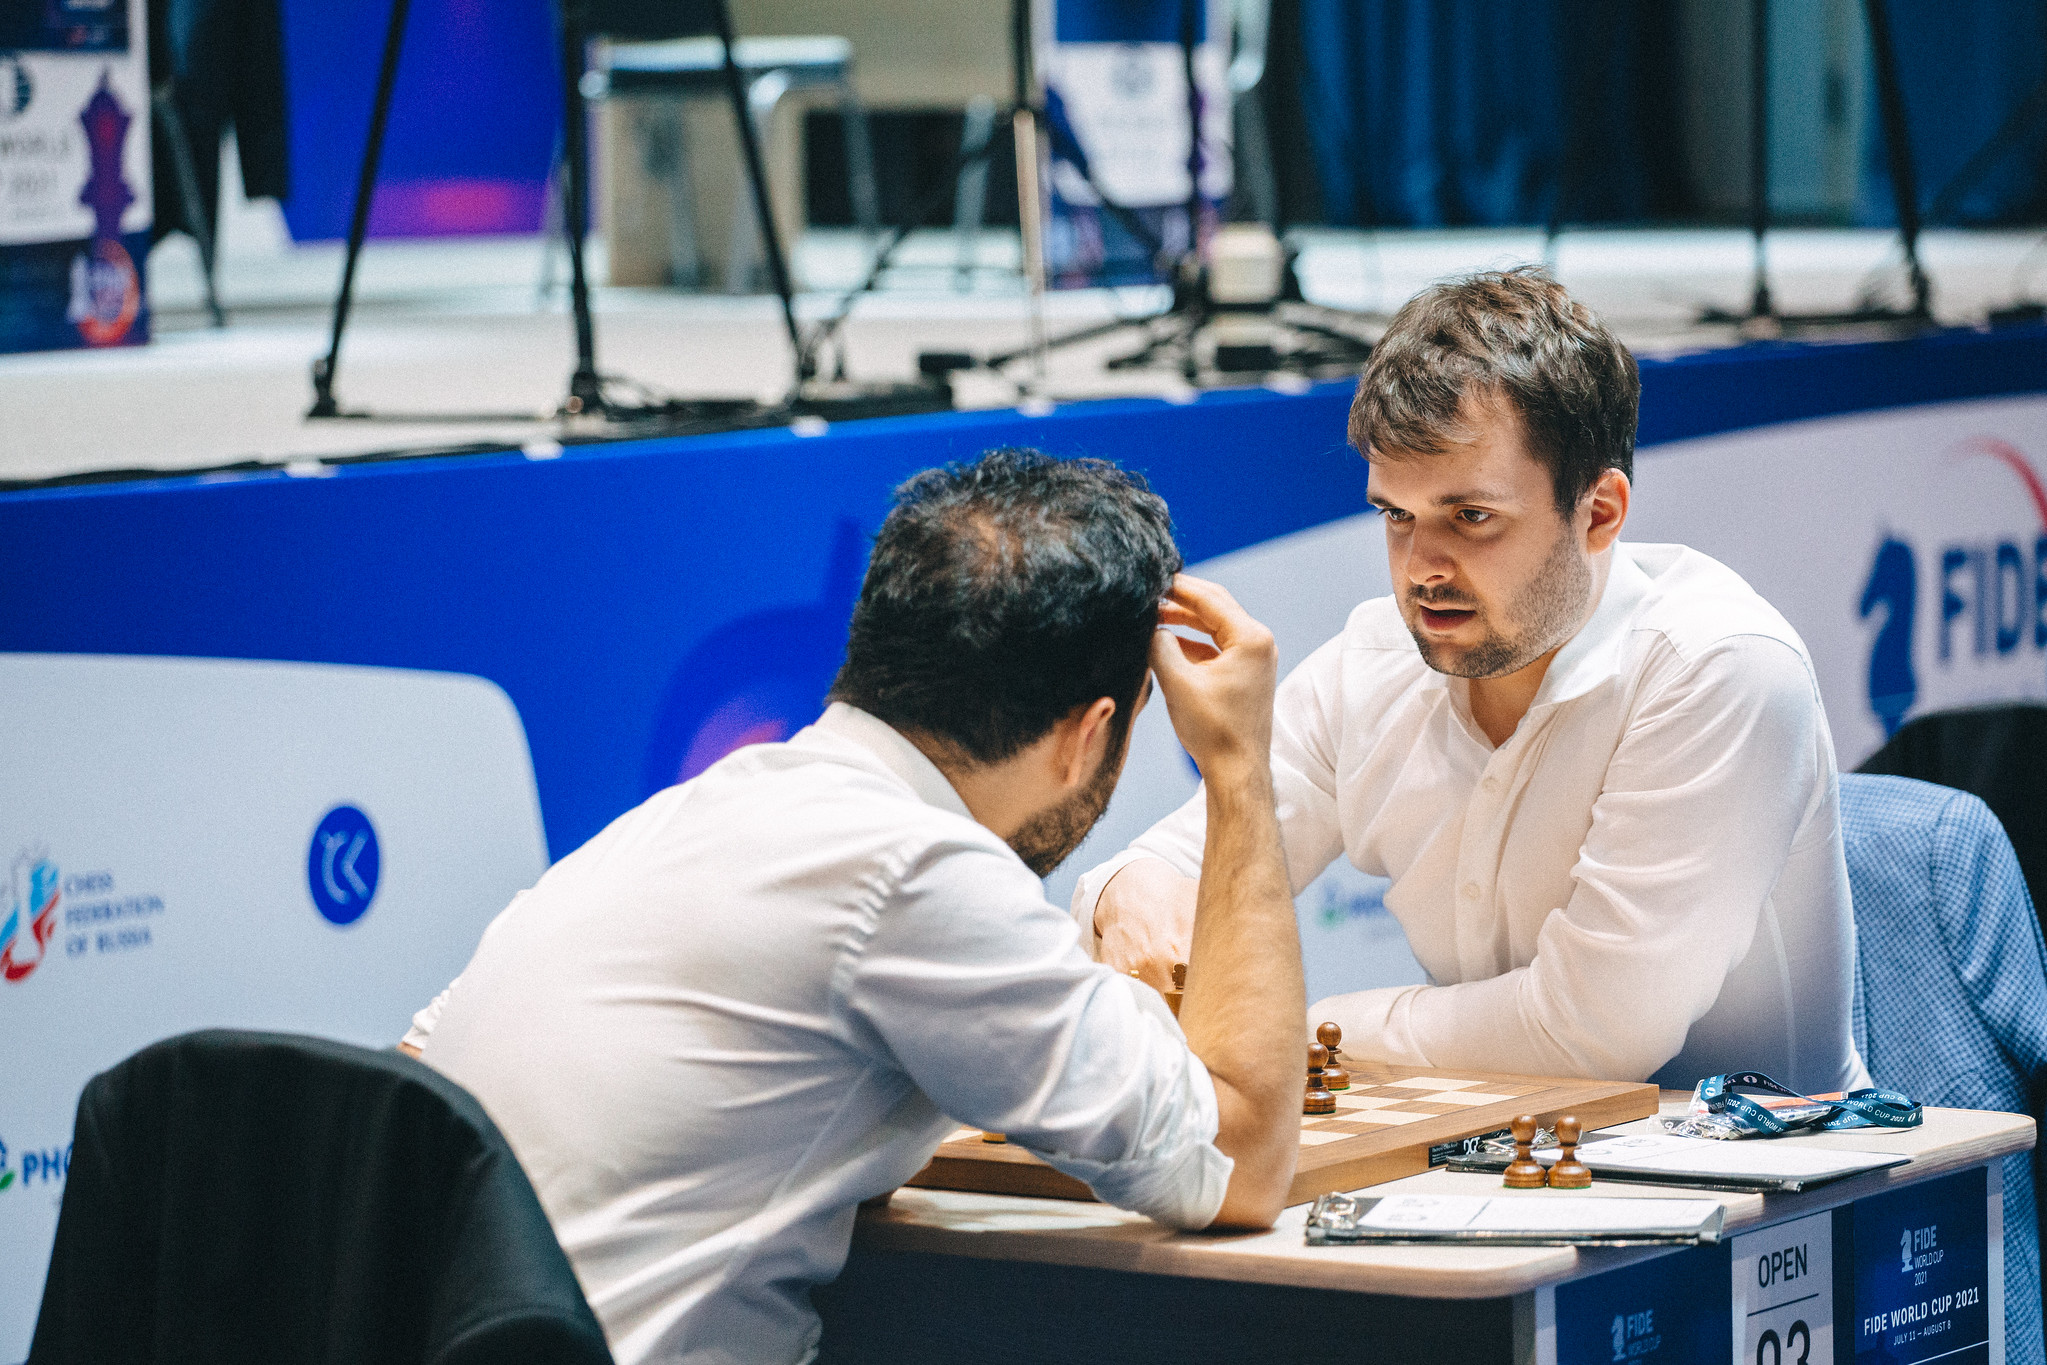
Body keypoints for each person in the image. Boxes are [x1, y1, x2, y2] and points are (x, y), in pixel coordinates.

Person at [400, 450, 1305, 1365]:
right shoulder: (917, 869)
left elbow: (413, 1069)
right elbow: (1241, 1157)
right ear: (1088, 733)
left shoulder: (682, 817)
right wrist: (1236, 764)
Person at [1079, 267, 1870, 1096]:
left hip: (1770, 1166)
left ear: (1599, 512)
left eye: (1470, 517)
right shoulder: (1375, 661)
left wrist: (1293, 1031)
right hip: (1487, 1148)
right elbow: (1166, 865)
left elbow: (1593, 1032)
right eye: (1396, 515)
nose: (1421, 567)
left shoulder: (1717, 666)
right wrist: (1129, 894)